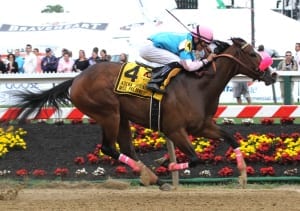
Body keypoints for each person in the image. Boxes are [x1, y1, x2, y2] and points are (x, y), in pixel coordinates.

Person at [139, 25, 216, 93]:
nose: (204, 47)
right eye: (204, 44)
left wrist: (205, 56)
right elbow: (188, 66)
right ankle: (154, 81)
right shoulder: (187, 43)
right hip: (149, 48)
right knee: (179, 62)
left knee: (181, 62)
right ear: (196, 39)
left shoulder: (192, 42)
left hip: (153, 45)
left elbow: (196, 61)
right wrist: (206, 60)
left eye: (207, 45)